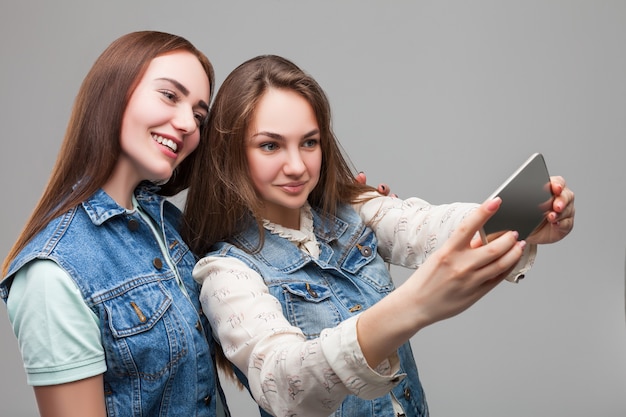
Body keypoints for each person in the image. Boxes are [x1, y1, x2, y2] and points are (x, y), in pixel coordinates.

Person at [182, 55, 576, 417]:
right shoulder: (225, 272)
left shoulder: (357, 212)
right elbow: (284, 384)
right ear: (231, 153)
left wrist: (522, 222)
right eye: (270, 145)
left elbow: (429, 226)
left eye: (310, 142)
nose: (297, 165)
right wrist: (412, 305)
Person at [0, 31, 228, 417]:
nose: (188, 123)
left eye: (199, 114)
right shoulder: (51, 273)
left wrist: (347, 214)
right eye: (170, 96)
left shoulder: (169, 226)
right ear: (114, 92)